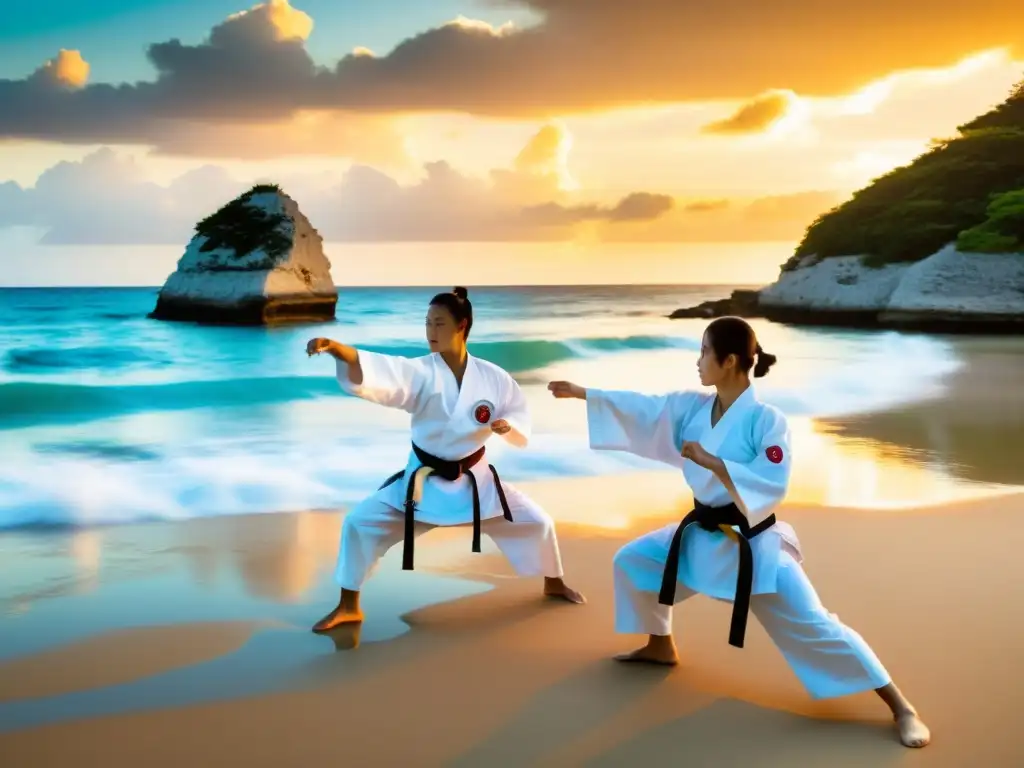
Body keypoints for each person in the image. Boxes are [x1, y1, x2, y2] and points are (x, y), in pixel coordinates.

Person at [546, 316, 930, 749]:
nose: (698, 362)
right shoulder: (693, 407)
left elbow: (772, 482)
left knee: (816, 626)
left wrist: (715, 463)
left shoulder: (767, 422)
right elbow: (647, 407)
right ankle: (660, 646)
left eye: (704, 353)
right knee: (634, 562)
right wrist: (585, 395)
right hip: (700, 534)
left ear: (729, 361)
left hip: (750, 545)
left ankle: (901, 707)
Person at [307, 286, 585, 632]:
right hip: (422, 483)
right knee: (358, 523)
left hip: (476, 482)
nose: (430, 332)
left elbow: (516, 412)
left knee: (538, 522)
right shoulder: (421, 371)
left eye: (439, 324)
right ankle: (349, 606)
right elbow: (382, 369)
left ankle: (553, 583)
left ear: (461, 326)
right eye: (427, 324)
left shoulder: (493, 377)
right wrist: (337, 350)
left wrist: (506, 425)